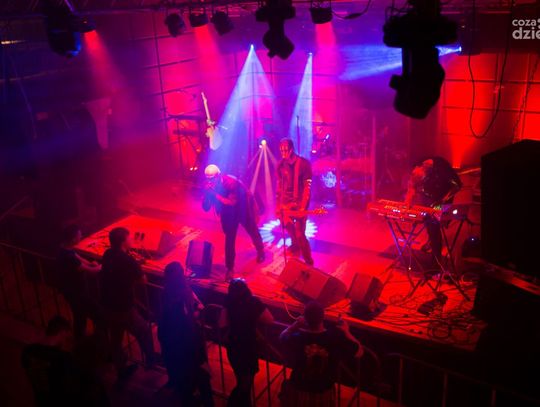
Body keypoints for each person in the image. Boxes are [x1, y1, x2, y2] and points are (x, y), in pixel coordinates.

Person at [279, 302, 363, 406]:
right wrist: (346, 331)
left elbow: (282, 337)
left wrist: (295, 325)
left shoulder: (297, 337)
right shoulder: (335, 338)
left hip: (298, 389)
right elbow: (359, 352)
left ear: (304, 319)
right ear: (323, 317)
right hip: (323, 391)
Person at [100, 227, 155, 380]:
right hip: (123, 306)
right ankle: (151, 360)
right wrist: (136, 268)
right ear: (123, 242)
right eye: (129, 238)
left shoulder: (107, 254)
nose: (131, 240)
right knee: (143, 329)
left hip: (108, 303)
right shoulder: (128, 260)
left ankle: (121, 370)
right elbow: (142, 280)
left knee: (116, 339)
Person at [158, 262, 213, 407]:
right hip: (187, 342)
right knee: (201, 376)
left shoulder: (165, 293)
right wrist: (196, 314)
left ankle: (186, 396)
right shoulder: (183, 293)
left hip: (172, 342)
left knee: (182, 376)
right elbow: (189, 316)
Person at [21, 315, 109, 406]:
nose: (67, 342)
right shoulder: (63, 359)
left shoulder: (28, 352)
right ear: (62, 332)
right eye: (67, 338)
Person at [202, 164, 265, 280]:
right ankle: (230, 268)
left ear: (218, 176)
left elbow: (231, 202)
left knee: (252, 230)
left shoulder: (231, 182)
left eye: (212, 179)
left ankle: (261, 250)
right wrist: (207, 194)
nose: (210, 182)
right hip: (228, 214)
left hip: (241, 209)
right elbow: (206, 208)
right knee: (229, 240)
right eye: (208, 179)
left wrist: (215, 194)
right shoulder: (210, 186)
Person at [219, 278, 274, 407]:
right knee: (245, 384)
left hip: (234, 346)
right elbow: (270, 319)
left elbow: (222, 324)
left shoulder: (229, 301)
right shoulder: (253, 302)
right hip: (248, 347)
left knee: (241, 379)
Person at [404, 157, 462, 263]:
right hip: (428, 196)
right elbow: (412, 186)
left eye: (421, 183)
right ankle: (431, 241)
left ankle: (436, 258)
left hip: (442, 198)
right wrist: (407, 202)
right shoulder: (418, 167)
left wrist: (442, 201)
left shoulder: (442, 168)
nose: (419, 186)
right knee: (428, 221)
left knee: (434, 224)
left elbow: (457, 186)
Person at [56, 224, 106, 339]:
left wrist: (91, 262)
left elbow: (80, 259)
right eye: (80, 235)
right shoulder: (68, 257)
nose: (81, 236)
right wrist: (101, 266)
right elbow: (91, 271)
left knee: (80, 315)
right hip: (76, 292)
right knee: (98, 314)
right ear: (73, 239)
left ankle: (79, 339)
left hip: (72, 291)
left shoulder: (65, 249)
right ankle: (98, 340)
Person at [276, 138, 314, 266]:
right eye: (281, 151)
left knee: (300, 234)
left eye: (285, 150)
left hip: (299, 203)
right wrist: (278, 205)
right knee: (287, 226)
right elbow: (279, 187)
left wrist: (303, 207)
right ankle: (295, 244)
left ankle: (308, 260)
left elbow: (307, 187)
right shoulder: (280, 165)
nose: (283, 153)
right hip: (286, 204)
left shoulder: (303, 164)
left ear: (291, 149)